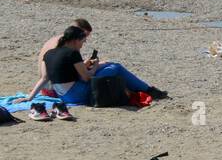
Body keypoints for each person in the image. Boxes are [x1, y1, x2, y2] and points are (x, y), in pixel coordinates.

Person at [28, 24, 166, 103]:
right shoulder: (72, 53)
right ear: (75, 40)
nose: (82, 46)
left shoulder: (50, 53)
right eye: (83, 42)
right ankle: (148, 90)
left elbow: (44, 78)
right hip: (77, 95)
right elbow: (86, 78)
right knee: (115, 67)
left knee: (108, 66)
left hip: (63, 96)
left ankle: (141, 89)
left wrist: (29, 98)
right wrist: (96, 65)